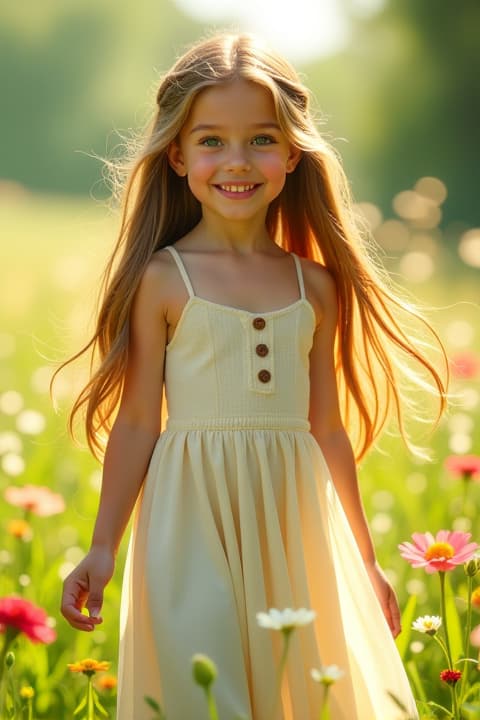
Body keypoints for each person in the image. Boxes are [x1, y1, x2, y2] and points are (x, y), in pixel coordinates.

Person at [59, 32, 447, 720]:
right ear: (176, 156)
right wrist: (101, 544)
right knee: (203, 681)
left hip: (295, 516)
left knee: (302, 686)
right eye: (210, 141)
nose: (236, 162)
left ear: (294, 153)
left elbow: (327, 427)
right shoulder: (163, 279)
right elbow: (141, 419)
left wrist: (364, 558)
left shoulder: (315, 286)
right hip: (190, 517)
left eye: (261, 139)